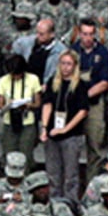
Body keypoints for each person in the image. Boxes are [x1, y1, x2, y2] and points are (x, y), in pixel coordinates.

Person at [40, 49, 89, 206]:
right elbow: (47, 105)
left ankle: (70, 204)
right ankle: (54, 203)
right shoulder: (52, 82)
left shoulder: (80, 85)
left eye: (69, 64)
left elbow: (83, 111)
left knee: (71, 175)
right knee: (53, 173)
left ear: (75, 66)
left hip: (71, 135)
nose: (65, 67)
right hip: (52, 134)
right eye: (63, 63)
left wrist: (65, 129)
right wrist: (44, 127)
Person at [0, 52, 41, 171]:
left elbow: (38, 103)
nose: (15, 77)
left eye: (18, 74)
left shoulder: (33, 79)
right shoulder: (3, 81)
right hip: (9, 122)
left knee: (25, 154)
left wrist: (28, 105)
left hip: (27, 122)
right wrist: (8, 105)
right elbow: (0, 104)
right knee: (9, 154)